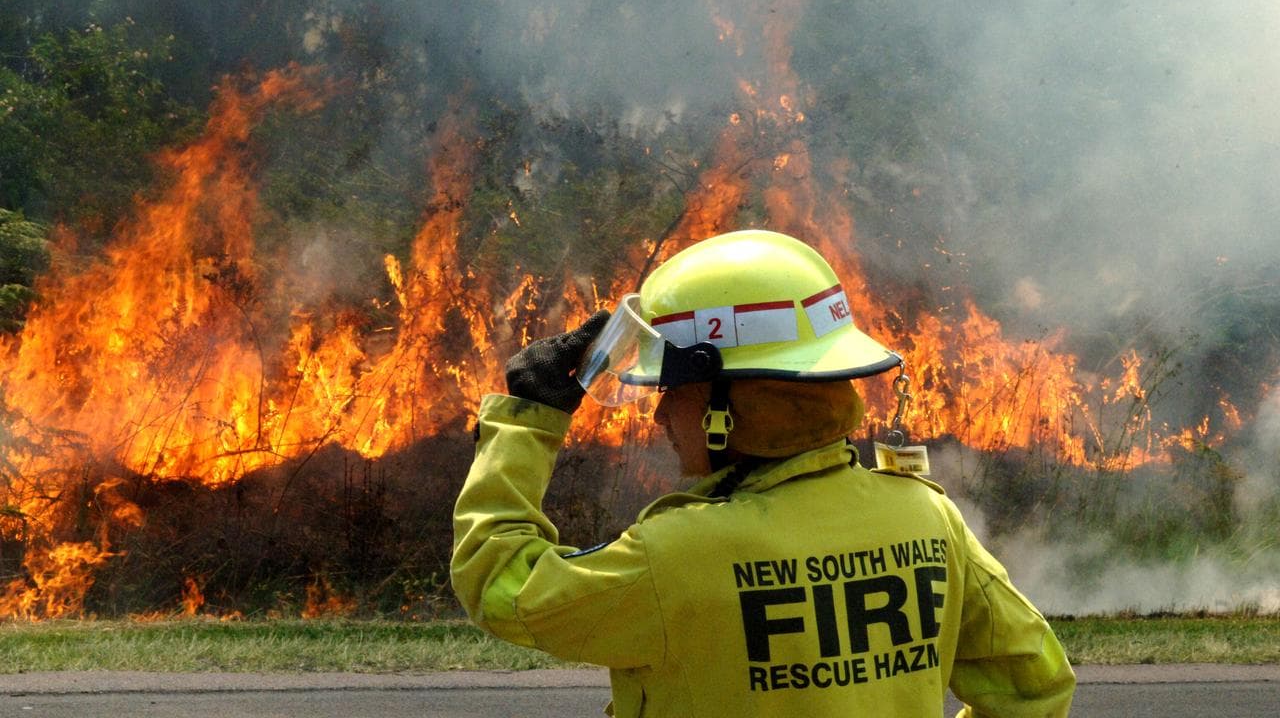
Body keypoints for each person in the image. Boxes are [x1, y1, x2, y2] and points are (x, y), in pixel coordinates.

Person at [451, 229, 1076, 717]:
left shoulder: (674, 557)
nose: (662, 414)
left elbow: (499, 582)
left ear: (731, 406)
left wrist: (528, 421)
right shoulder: (928, 518)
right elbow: (1037, 687)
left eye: (676, 390)